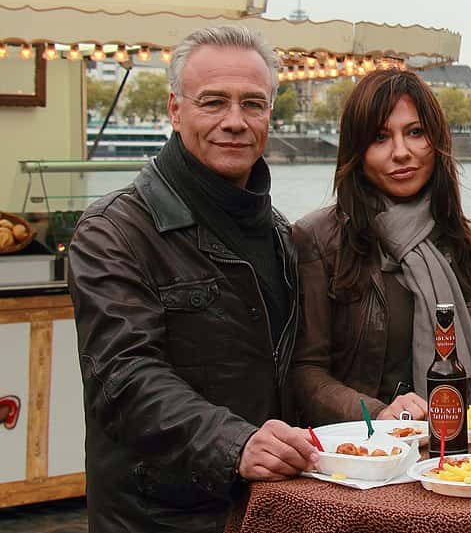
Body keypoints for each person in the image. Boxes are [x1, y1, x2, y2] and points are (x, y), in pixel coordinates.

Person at [67, 26, 318, 533]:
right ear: (175, 111)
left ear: (271, 114)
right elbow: (124, 378)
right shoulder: (112, 231)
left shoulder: (281, 235)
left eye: (253, 104)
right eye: (213, 102)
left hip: (267, 509)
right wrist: (238, 444)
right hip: (159, 517)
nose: (234, 122)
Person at [291, 69, 471, 424]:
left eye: (415, 132)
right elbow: (305, 372)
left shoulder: (466, 245)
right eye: (380, 137)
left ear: (437, 140)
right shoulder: (317, 239)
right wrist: (379, 414)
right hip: (368, 454)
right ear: (357, 151)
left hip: (461, 450)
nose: (401, 152)